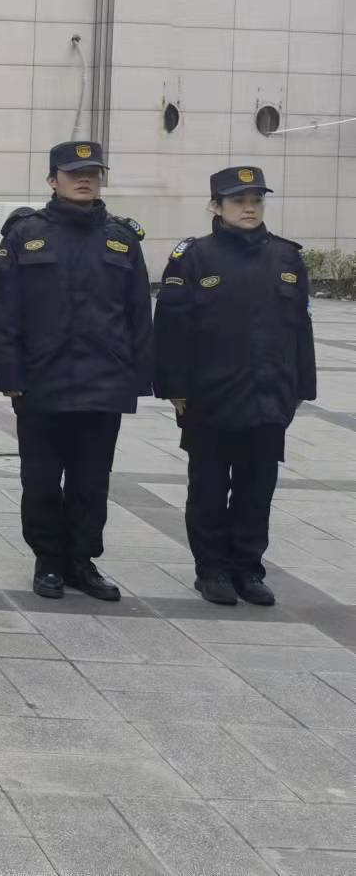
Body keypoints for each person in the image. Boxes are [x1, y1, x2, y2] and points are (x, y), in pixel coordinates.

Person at [0, 140, 152, 601]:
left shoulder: (122, 238)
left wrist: (138, 378)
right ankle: (48, 561)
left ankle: (81, 561)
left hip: (104, 382)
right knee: (41, 481)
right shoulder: (25, 234)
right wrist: (9, 376)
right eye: (74, 173)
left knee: (91, 482)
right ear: (52, 180)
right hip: (42, 382)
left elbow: (139, 313)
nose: (85, 180)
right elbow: (6, 313)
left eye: (93, 173)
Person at [154, 166, 314, 608]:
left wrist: (301, 386)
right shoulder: (194, 257)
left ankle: (248, 568)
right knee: (208, 488)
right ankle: (212, 570)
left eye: (256, 200)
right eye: (239, 200)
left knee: (257, 488)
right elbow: (170, 327)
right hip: (210, 395)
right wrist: (174, 386)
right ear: (216, 206)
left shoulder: (286, 257)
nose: (249, 208)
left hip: (268, 395)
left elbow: (300, 327)